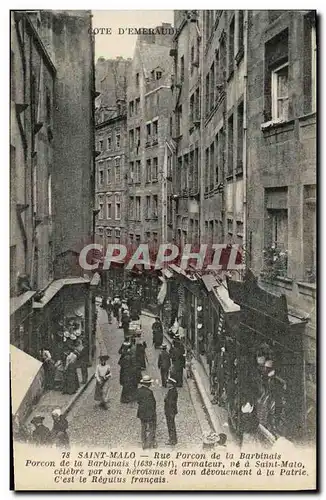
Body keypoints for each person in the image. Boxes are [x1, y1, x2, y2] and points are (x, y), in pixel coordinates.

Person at [136, 375, 157, 449]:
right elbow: (153, 403)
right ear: (148, 384)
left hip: (141, 412)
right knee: (151, 428)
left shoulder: (138, 390)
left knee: (143, 427)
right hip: (149, 413)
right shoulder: (149, 392)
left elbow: (138, 401)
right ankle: (148, 443)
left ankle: (143, 442)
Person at [164, 377, 178, 446]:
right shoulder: (171, 390)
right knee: (171, 425)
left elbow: (170, 402)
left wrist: (165, 399)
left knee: (171, 426)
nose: (166, 384)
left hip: (170, 412)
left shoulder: (172, 392)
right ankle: (172, 439)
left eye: (168, 383)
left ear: (171, 384)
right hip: (170, 411)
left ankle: (172, 440)